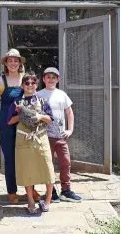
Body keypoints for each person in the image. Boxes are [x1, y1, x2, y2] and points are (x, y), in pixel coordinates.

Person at [0, 48, 40, 203]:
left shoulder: (25, 78)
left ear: (20, 62)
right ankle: (12, 191)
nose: (13, 63)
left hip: (24, 120)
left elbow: (33, 96)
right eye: (10, 60)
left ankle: (31, 189)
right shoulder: (0, 80)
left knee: (27, 155)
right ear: (6, 63)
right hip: (6, 122)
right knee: (10, 156)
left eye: (16, 60)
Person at [7, 73, 56, 214]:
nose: (30, 85)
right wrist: (21, 114)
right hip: (24, 139)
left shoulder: (42, 100)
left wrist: (39, 116)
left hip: (41, 138)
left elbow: (50, 119)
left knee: (47, 168)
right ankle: (30, 200)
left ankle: (47, 200)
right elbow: (9, 121)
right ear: (22, 86)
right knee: (27, 170)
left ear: (36, 85)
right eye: (27, 83)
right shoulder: (17, 102)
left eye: (33, 82)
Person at [37, 67, 82, 203]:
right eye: (48, 77)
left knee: (65, 162)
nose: (51, 80)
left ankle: (66, 190)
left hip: (61, 136)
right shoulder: (39, 95)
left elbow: (69, 113)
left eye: (54, 77)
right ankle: (52, 192)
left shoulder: (62, 94)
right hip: (45, 136)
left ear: (58, 79)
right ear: (43, 79)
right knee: (47, 164)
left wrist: (70, 130)